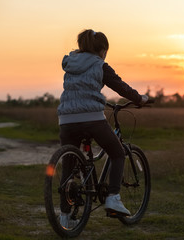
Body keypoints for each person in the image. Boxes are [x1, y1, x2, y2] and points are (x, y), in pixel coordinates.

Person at [57, 29, 148, 229]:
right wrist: (139, 99)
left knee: (68, 165)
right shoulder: (100, 65)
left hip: (66, 119)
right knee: (117, 152)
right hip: (91, 117)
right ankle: (113, 198)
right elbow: (120, 86)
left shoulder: (70, 63)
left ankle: (64, 217)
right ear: (102, 50)